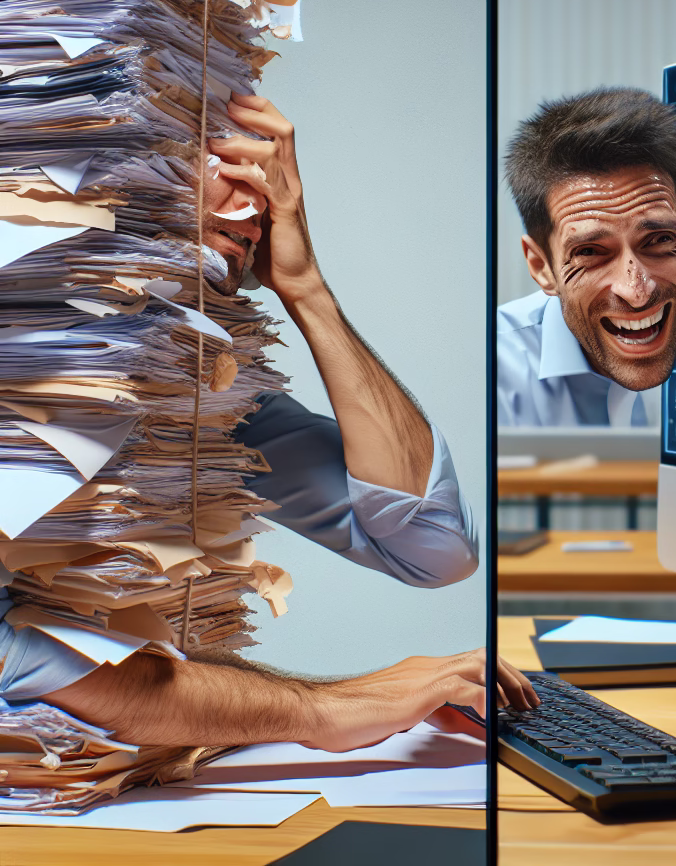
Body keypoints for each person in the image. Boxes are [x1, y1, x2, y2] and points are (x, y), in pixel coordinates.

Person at [0, 94, 536, 753]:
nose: (263, 190)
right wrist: (324, 710)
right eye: (221, 150)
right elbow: (18, 665)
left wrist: (305, 286)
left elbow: (433, 547)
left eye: (267, 160)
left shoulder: (192, 390)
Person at [498, 87, 676, 427]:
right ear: (541, 266)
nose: (636, 291)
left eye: (660, 239)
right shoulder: (493, 378)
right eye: (590, 252)